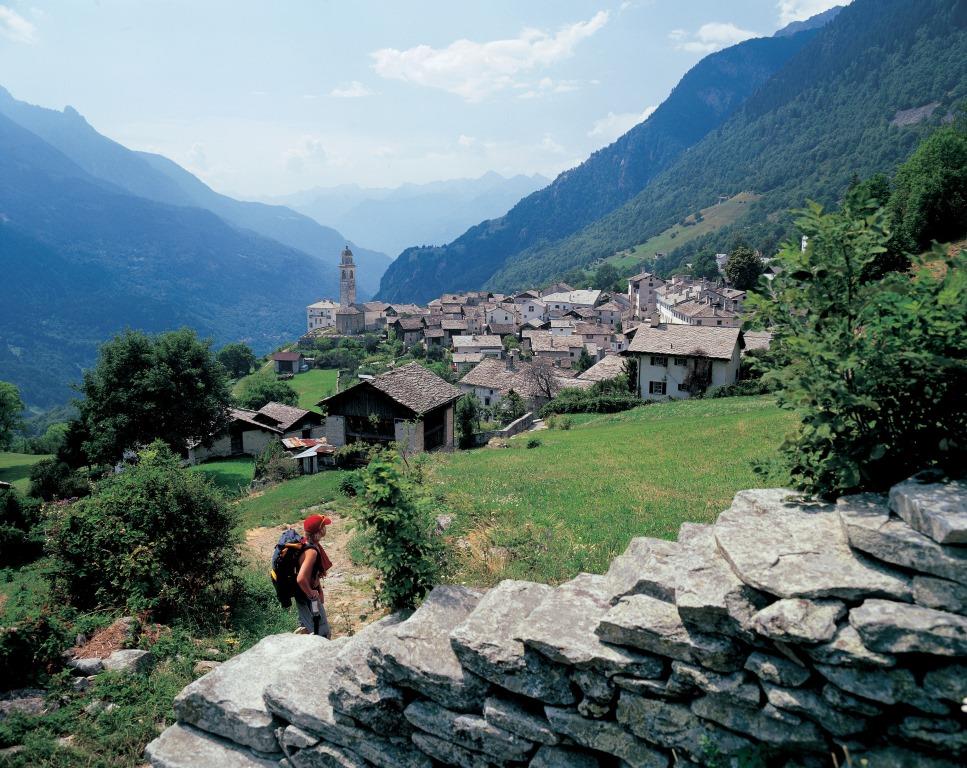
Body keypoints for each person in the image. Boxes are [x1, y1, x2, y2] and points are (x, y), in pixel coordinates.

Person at [294, 513, 333, 638]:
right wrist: (312, 593)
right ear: (319, 531)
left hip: (301, 594)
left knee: (310, 628)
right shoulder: (311, 552)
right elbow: (301, 579)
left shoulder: (305, 542)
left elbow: (313, 574)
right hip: (307, 596)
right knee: (323, 633)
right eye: (324, 526)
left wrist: (319, 590)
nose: (325, 529)